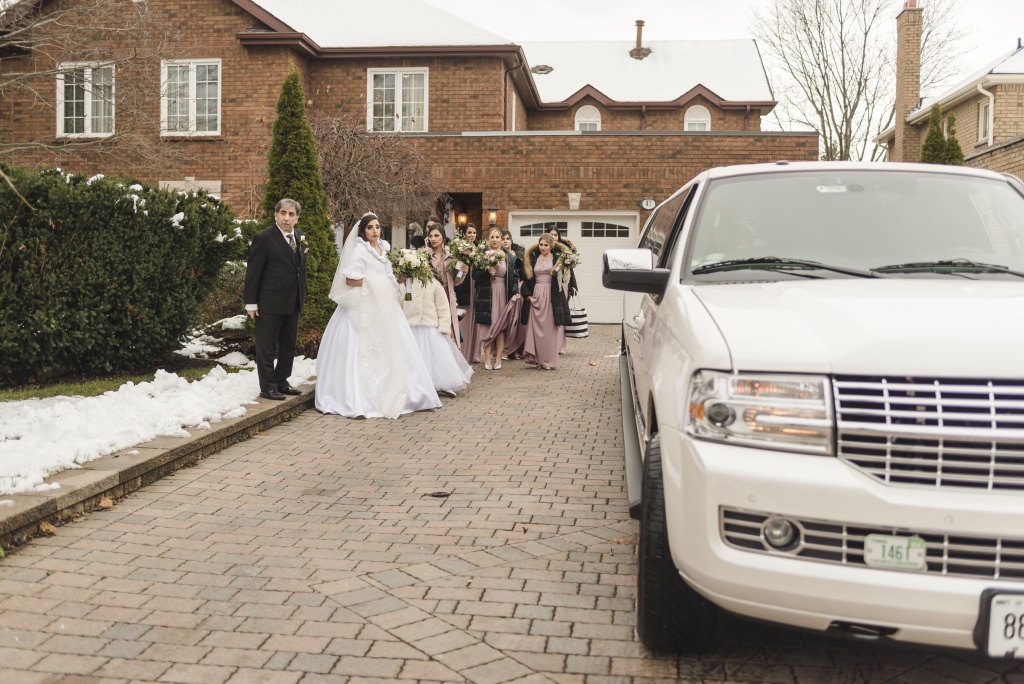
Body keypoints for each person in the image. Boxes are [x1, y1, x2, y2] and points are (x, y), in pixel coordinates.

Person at [314, 212, 441, 419]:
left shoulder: (383, 248)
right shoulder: (360, 251)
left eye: (377, 226)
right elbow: (350, 280)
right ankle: (359, 400)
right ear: (363, 231)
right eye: (370, 227)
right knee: (364, 349)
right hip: (364, 305)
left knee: (396, 347)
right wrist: (373, 282)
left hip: (385, 305)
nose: (375, 231)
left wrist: (401, 278)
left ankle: (412, 394)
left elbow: (386, 276)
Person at [244, 198, 308, 401]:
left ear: (297, 218)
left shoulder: (300, 237)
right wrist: (251, 302)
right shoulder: (263, 238)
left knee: (288, 345)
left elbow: (299, 270)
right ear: (276, 215)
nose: (286, 218)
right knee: (267, 346)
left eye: (291, 214)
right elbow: (253, 272)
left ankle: (282, 381)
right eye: (283, 213)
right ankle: (267, 386)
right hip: (269, 302)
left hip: (293, 301)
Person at [403, 276, 473, 397]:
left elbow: (443, 306)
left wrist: (444, 326)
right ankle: (416, 385)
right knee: (413, 358)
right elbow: (399, 304)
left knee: (437, 357)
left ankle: (442, 384)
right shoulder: (405, 283)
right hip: (410, 326)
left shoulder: (434, 283)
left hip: (430, 326)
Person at [521, 233, 571, 370]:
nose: (543, 247)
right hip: (536, 295)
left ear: (551, 246)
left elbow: (561, 276)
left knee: (549, 330)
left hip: (551, 295)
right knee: (536, 329)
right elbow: (526, 279)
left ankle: (549, 361)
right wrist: (528, 295)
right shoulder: (533, 258)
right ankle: (538, 359)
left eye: (546, 245)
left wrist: (563, 266)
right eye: (541, 244)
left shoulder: (557, 258)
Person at [474, 227, 519, 370]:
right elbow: (475, 276)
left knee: (500, 328)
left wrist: (514, 292)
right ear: (488, 239)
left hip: (502, 294)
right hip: (487, 293)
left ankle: (498, 359)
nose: (494, 240)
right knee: (487, 327)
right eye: (492, 237)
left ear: (501, 239)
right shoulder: (482, 255)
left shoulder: (508, 256)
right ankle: (487, 359)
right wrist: (486, 272)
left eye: (497, 237)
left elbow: (514, 277)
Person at [425, 222, 466, 346]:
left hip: (448, 296)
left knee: (448, 330)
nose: (433, 239)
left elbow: (456, 281)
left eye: (436, 236)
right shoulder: (424, 256)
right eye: (431, 236)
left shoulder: (451, 257)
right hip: (430, 298)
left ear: (443, 237)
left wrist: (463, 271)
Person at [546, 225, 577, 355]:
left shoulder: (564, 251)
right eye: (551, 234)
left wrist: (573, 286)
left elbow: (571, 269)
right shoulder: (544, 249)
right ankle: (549, 345)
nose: (553, 237)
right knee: (549, 316)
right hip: (547, 285)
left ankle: (560, 346)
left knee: (560, 315)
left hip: (562, 284)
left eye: (555, 235)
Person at [455, 223, 481, 363]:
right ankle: (463, 353)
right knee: (464, 321)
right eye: (469, 232)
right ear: (464, 234)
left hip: (476, 286)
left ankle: (475, 353)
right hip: (464, 285)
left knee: (476, 323)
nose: (472, 235)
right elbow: (457, 269)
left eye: (474, 233)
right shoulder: (459, 248)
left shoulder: (479, 250)